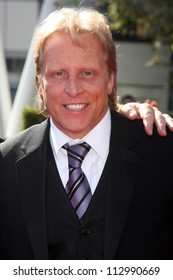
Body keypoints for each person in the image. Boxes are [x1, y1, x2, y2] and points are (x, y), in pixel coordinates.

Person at [0, 7, 173, 260]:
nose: (73, 89)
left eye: (87, 73)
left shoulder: (164, 153)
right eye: (59, 74)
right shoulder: (4, 165)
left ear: (111, 79)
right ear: (39, 82)